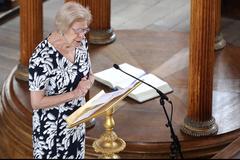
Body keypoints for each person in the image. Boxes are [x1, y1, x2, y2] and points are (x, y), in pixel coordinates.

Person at [28, 2, 94, 159]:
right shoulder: (41, 58)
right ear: (63, 28)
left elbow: (90, 74)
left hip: (76, 124)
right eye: (78, 30)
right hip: (52, 132)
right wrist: (75, 93)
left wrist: (88, 83)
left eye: (85, 29)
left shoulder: (81, 43)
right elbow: (36, 103)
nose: (82, 35)